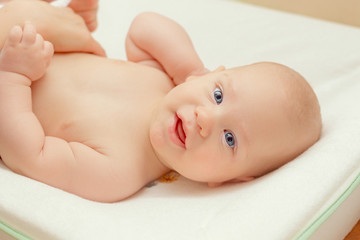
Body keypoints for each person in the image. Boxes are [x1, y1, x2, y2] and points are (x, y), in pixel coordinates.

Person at [0, 0, 322, 202]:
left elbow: (29, 153)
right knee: (34, 19)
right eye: (218, 94)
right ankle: (65, 16)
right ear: (208, 75)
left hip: (10, 84)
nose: (205, 118)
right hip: (37, 43)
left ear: (227, 180)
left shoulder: (118, 172)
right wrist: (189, 68)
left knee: (20, 16)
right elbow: (144, 26)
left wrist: (14, 75)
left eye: (230, 139)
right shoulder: (164, 82)